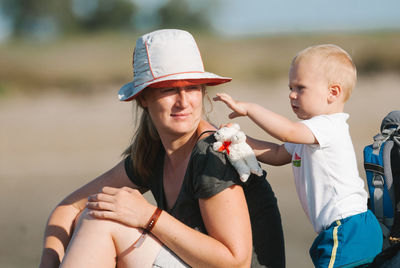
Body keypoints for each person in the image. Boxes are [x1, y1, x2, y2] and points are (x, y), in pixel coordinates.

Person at [39, 29, 285, 268]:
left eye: (191, 88)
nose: (183, 101)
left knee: (102, 221)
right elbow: (69, 207)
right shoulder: (152, 153)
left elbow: (236, 261)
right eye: (169, 89)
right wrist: (49, 262)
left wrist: (149, 216)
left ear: (202, 92)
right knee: (94, 213)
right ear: (143, 99)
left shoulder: (212, 152)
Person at [214, 44, 383, 267]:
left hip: (347, 228)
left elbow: (287, 131)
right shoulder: (309, 134)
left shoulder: (329, 126)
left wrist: (250, 109)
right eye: (290, 87)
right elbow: (276, 153)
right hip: (346, 229)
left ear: (333, 93)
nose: (292, 94)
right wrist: (241, 140)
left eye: (301, 88)